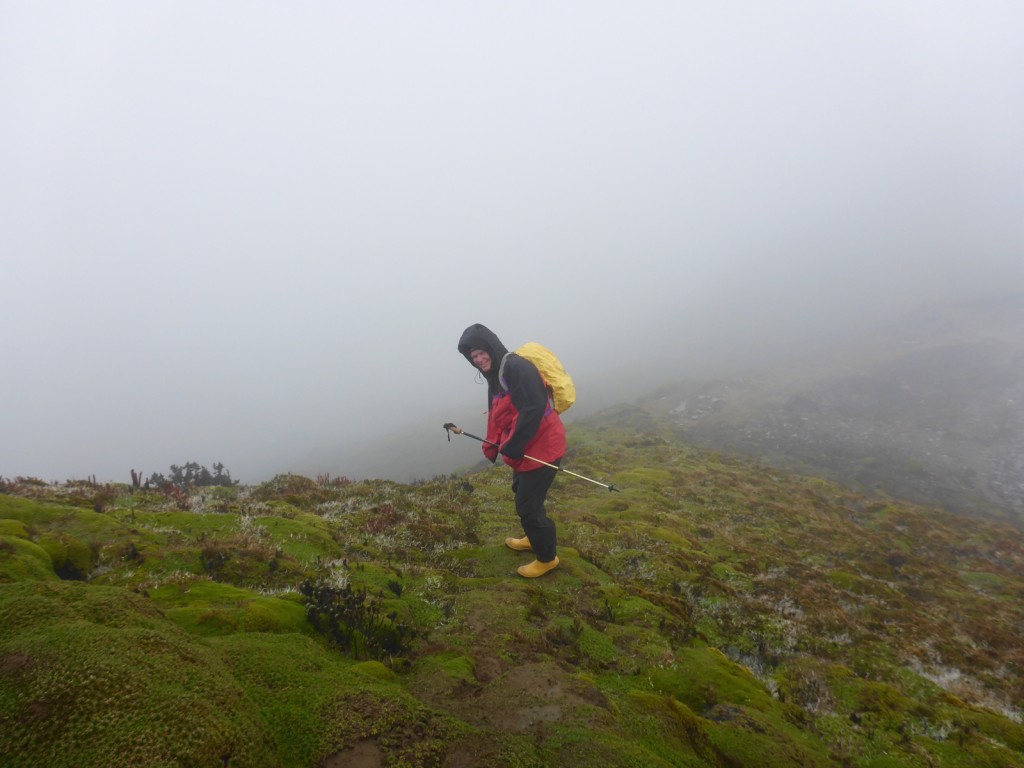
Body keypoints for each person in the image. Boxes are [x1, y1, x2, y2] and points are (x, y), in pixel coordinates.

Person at [458, 324, 566, 578]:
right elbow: (498, 411)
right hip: (527, 448)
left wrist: (514, 446)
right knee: (523, 493)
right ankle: (533, 538)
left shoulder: (516, 367)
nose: (478, 359)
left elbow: (535, 407)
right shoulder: (495, 375)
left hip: (543, 449)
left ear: (492, 348)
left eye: (481, 352)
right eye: (473, 357)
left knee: (527, 506)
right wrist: (492, 443)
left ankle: (547, 558)